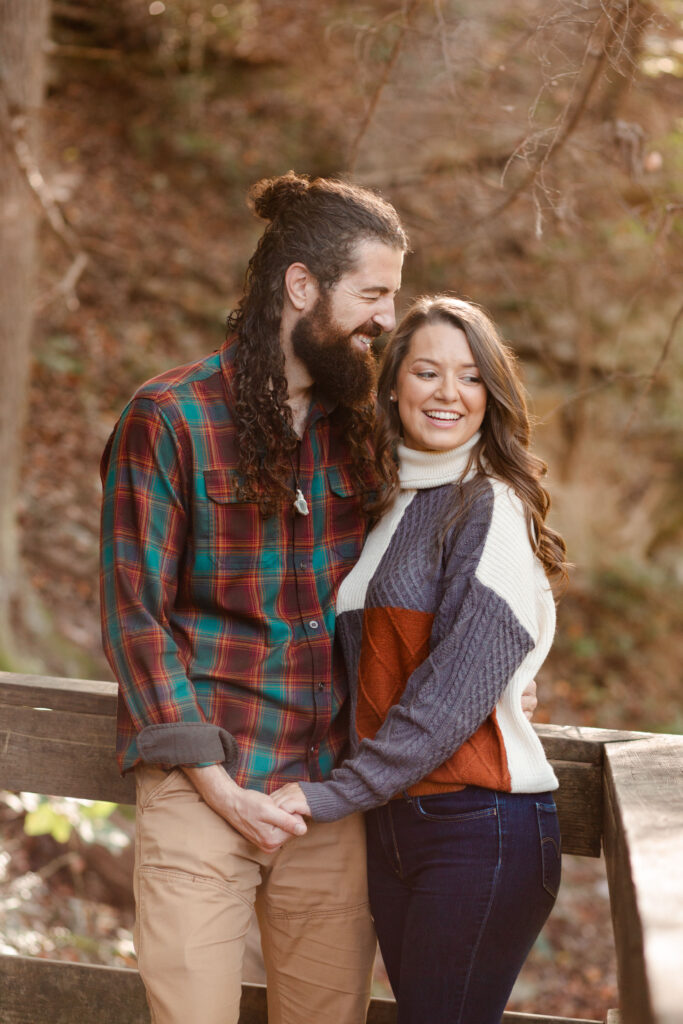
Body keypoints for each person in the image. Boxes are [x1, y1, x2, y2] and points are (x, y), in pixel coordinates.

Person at [99, 171, 408, 1024]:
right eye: (371, 294)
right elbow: (136, 619)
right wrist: (215, 784)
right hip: (203, 786)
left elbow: (426, 577)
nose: (386, 319)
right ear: (300, 286)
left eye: (393, 297)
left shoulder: (366, 429)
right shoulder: (169, 418)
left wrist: (505, 667)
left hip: (329, 796)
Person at [273, 295, 569, 1024]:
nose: (447, 393)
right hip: (397, 826)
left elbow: (453, 686)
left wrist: (335, 791)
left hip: (479, 826)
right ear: (394, 384)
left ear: (490, 394)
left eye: (469, 377)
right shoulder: (388, 503)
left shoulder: (488, 504)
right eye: (427, 371)